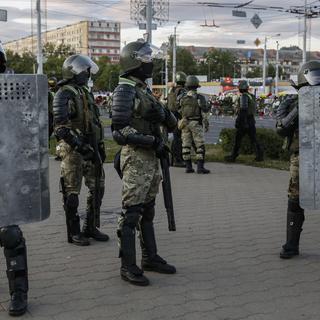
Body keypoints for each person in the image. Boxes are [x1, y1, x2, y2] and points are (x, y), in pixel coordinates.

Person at [111, 39, 177, 286]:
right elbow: (119, 131)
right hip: (137, 157)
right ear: (134, 61)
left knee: (148, 210)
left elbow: (171, 122)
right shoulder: (125, 90)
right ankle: (127, 265)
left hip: (151, 159)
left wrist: (163, 113)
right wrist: (151, 141)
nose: (151, 63)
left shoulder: (143, 89)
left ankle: (150, 257)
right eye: (146, 58)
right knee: (132, 213)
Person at [53, 54, 109, 246]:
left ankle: (90, 227)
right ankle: (74, 232)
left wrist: (99, 146)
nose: (87, 74)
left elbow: (93, 121)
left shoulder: (85, 92)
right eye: (84, 70)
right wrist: (79, 145)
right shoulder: (64, 94)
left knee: (98, 188)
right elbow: (60, 128)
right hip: (72, 150)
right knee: (71, 193)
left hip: (91, 147)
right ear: (73, 72)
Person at [277, 60, 320, 259]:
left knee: (295, 200)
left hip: (308, 156)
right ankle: (291, 245)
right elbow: (282, 128)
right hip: (303, 156)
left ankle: (291, 246)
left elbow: (281, 128)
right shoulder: (296, 102)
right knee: (295, 200)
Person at [0, 43, 29, 316]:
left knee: (10, 234)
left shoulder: (14, 90)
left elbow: (33, 125)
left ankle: (19, 292)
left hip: (5, 171)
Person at [178, 75, 211, 174]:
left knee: (186, 145)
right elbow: (204, 111)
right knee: (200, 145)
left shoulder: (181, 97)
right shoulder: (199, 97)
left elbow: (178, 110)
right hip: (196, 123)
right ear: (197, 86)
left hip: (184, 123)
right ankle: (200, 167)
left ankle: (188, 167)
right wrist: (206, 124)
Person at [225, 80, 264, 162]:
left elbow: (243, 109)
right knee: (254, 139)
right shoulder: (251, 96)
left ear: (240, 88)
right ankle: (259, 156)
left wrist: (239, 121)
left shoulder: (244, 96)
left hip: (244, 120)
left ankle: (233, 156)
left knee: (238, 139)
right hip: (251, 120)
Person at [167, 71, 187, 167]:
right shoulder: (182, 91)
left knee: (175, 138)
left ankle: (172, 159)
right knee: (179, 139)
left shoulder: (172, 90)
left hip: (172, 115)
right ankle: (178, 160)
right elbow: (182, 104)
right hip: (179, 115)